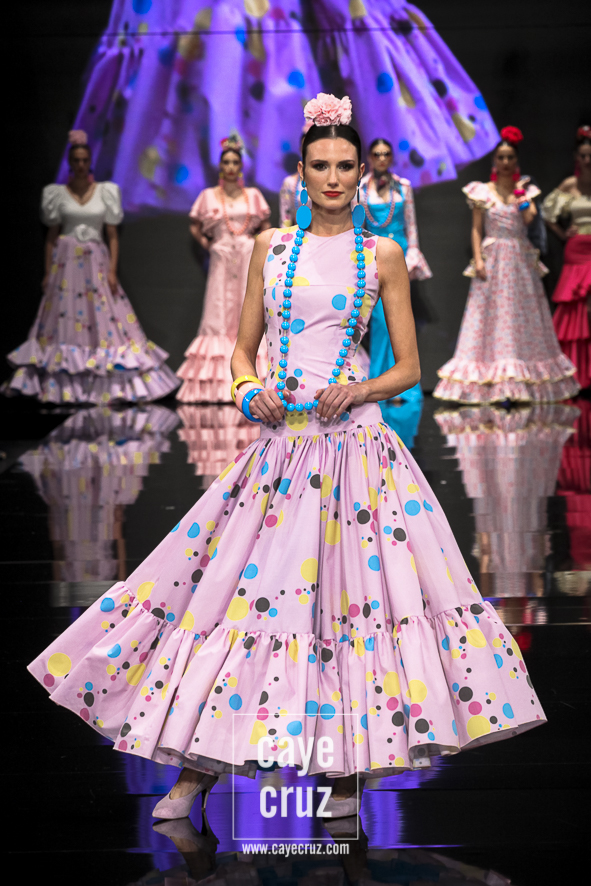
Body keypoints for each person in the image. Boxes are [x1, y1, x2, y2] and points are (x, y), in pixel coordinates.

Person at [28, 96, 546, 824]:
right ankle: (195, 770)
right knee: (236, 600)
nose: (333, 178)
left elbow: (408, 367)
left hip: (356, 454)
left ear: (359, 174)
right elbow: (242, 351)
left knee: (352, 608)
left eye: (345, 166)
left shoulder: (382, 254)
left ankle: (346, 769)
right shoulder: (271, 247)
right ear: (300, 173)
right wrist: (246, 390)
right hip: (280, 451)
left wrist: (359, 388)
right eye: (320, 166)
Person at [5, 131, 179, 404]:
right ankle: (64, 386)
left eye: (85, 160)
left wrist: (112, 270)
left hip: (95, 262)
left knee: (105, 319)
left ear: (90, 162)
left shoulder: (104, 193)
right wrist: (48, 271)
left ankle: (108, 386)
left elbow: (112, 235)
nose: (81, 165)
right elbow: (51, 236)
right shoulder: (58, 195)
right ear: (70, 162)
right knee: (64, 322)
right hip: (65, 264)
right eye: (76, 160)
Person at [434, 126, 580, 404]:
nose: (505, 162)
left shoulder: (524, 190)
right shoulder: (482, 191)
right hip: (493, 257)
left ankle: (522, 380)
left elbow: (530, 219)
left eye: (510, 157)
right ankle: (491, 382)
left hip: (520, 259)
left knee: (520, 316)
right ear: (494, 160)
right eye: (500, 157)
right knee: (490, 317)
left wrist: (521, 195)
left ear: (516, 160)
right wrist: (478, 259)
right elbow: (476, 229)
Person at [176, 136, 271, 402]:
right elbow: (195, 224)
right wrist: (208, 244)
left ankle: (254, 375)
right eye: (226, 162)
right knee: (218, 309)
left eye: (235, 162)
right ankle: (216, 385)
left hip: (247, 256)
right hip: (221, 257)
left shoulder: (253, 195)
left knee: (248, 307)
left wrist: (257, 245)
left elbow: (265, 224)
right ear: (220, 166)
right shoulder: (208, 196)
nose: (230, 167)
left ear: (241, 167)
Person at [361, 137, 432, 406]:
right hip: (374, 255)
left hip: (399, 255)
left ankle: (402, 386)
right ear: (370, 157)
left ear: (391, 158)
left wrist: (413, 254)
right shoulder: (360, 188)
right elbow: (359, 225)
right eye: (377, 154)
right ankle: (381, 383)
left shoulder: (403, 186)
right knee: (379, 321)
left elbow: (411, 223)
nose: (381, 158)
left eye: (386, 154)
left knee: (400, 318)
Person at [541, 125, 591, 390]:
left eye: (590, 155)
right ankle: (578, 374)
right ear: (576, 157)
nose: (587, 159)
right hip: (577, 248)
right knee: (577, 309)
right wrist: (563, 232)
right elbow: (547, 213)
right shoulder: (570, 184)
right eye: (583, 155)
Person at [279, 122, 313, 228]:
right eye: (305, 148)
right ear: (300, 150)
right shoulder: (290, 183)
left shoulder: (330, 181)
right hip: (299, 235)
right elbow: (285, 221)